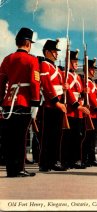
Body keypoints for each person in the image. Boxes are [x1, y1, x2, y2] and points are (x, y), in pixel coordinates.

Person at [0, 27, 40, 177]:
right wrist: (35, 103)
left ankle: (11, 169)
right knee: (21, 136)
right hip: (24, 102)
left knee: (10, 137)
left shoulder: (7, 59)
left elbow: (1, 82)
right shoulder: (32, 60)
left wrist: (0, 101)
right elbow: (35, 83)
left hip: (8, 103)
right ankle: (19, 168)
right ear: (28, 43)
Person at [38, 39, 68, 172]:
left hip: (58, 104)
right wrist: (56, 102)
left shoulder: (55, 68)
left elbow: (56, 85)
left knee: (56, 135)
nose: (56, 54)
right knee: (49, 135)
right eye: (54, 51)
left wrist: (64, 87)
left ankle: (53, 160)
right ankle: (46, 162)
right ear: (46, 52)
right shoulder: (44, 65)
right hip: (51, 104)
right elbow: (46, 84)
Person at [61, 49, 90, 169]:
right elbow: (68, 92)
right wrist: (77, 106)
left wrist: (84, 93)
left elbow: (79, 93)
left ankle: (76, 159)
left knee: (78, 137)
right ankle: (67, 160)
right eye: (74, 61)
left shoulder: (78, 77)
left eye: (77, 61)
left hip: (79, 112)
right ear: (68, 62)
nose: (76, 63)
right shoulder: (64, 74)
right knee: (68, 138)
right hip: (71, 110)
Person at [82, 58, 97, 167]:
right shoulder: (85, 81)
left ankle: (91, 158)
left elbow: (96, 97)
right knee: (88, 137)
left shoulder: (93, 83)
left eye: (93, 69)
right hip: (91, 113)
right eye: (91, 69)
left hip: (95, 113)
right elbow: (91, 98)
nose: (93, 71)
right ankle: (86, 158)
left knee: (93, 137)